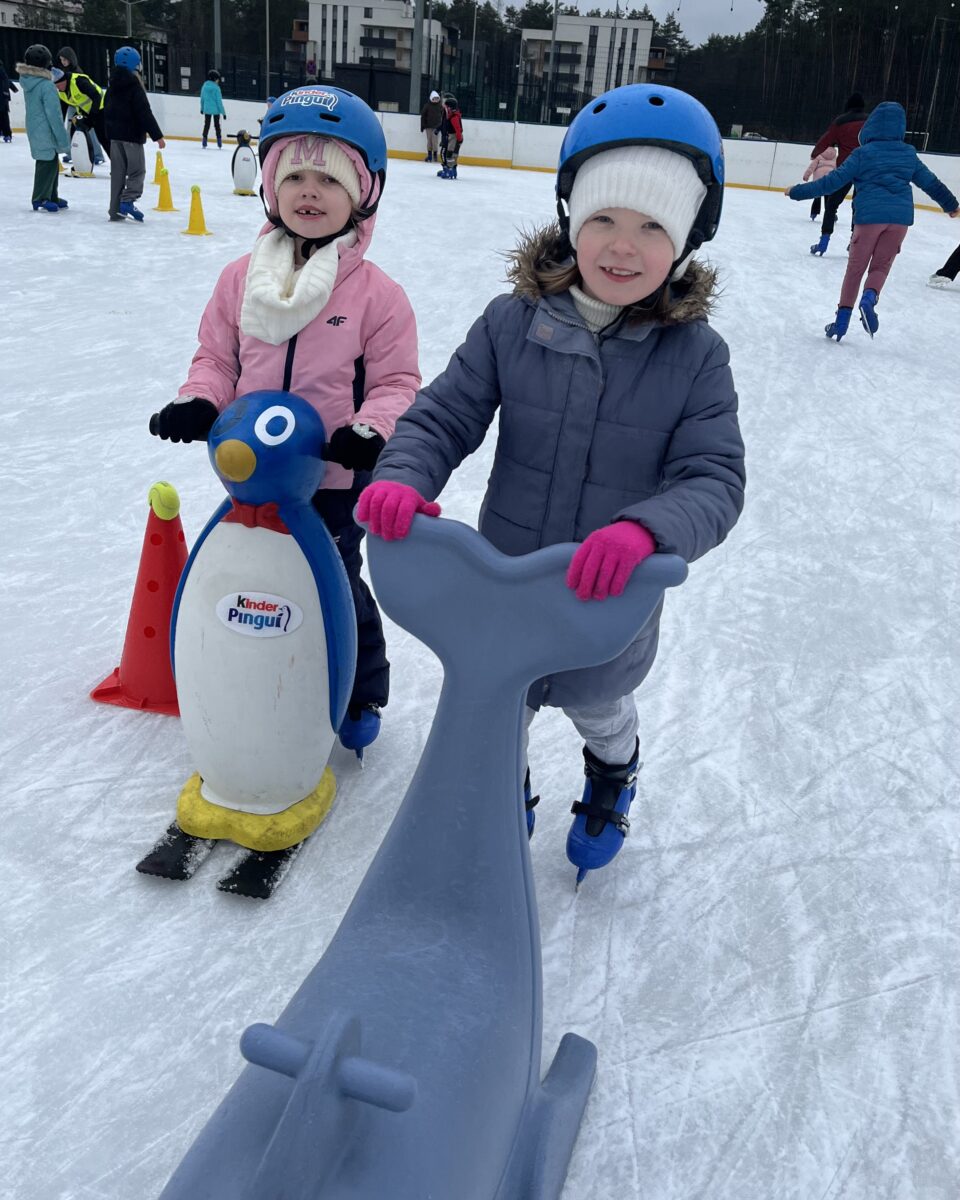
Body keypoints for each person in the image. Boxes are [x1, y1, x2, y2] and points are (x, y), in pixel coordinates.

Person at [359, 83, 745, 881]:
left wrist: (647, 530)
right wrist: (401, 474)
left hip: (609, 596)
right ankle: (507, 793)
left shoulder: (696, 356)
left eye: (651, 227)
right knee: (503, 709)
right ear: (571, 219)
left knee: (598, 707)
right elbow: (442, 418)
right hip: (507, 579)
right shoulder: (512, 322)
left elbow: (714, 476)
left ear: (683, 244)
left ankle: (613, 773)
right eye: (603, 218)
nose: (622, 246)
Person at [149, 86, 421, 756]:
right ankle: (259, 672)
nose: (308, 191)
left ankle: (360, 689)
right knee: (257, 578)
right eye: (292, 175)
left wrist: (371, 430)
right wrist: (200, 400)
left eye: (327, 177)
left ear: (364, 191)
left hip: (332, 475)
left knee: (332, 580)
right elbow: (217, 356)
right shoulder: (240, 280)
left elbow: (397, 383)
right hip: (253, 469)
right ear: (268, 187)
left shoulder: (378, 296)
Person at [787, 101, 959, 341]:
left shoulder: (862, 154)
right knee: (880, 267)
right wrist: (951, 205)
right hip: (899, 221)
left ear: (871, 127)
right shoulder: (908, 154)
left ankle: (841, 322)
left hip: (869, 218)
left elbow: (831, 182)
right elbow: (931, 183)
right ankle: (869, 298)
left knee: (855, 270)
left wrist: (796, 191)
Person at [103, 46, 165, 222]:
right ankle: (128, 200)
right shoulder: (134, 86)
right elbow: (144, 112)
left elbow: (105, 109)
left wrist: (109, 132)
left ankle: (115, 210)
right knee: (137, 171)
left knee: (117, 173)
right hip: (131, 137)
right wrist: (157, 136)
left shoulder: (112, 85)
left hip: (115, 138)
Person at [808, 92, 868, 255]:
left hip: (845, 168)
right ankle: (854, 241)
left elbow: (826, 140)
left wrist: (815, 153)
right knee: (859, 206)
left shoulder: (840, 122)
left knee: (832, 205)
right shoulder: (870, 122)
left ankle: (824, 241)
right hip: (865, 169)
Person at [16, 45, 70, 212]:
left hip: (35, 127)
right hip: (46, 128)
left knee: (51, 161)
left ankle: (51, 194)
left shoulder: (29, 82)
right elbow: (54, 114)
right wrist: (62, 137)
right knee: (46, 162)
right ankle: (40, 197)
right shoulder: (46, 86)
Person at [55, 47, 107, 165]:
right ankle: (70, 153)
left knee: (90, 129)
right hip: (72, 104)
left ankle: (98, 155)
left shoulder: (77, 73)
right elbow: (63, 95)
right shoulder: (62, 72)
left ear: (71, 59)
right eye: (62, 60)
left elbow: (89, 92)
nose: (63, 62)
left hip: (84, 105)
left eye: (65, 60)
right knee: (70, 127)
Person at [801, 144, 836, 221]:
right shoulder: (835, 157)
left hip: (818, 179)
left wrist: (806, 176)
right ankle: (831, 215)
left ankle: (814, 213)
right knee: (829, 198)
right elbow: (838, 168)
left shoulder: (819, 156)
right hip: (829, 179)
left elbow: (812, 167)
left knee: (817, 196)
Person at [437, 95, 463, 180]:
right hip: (453, 137)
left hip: (455, 137)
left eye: (447, 106)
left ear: (450, 108)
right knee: (453, 155)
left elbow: (458, 130)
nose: (445, 107)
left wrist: (459, 140)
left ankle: (449, 171)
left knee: (449, 155)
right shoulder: (451, 115)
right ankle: (453, 170)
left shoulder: (454, 117)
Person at [200, 69, 226, 148]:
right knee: (217, 125)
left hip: (207, 109)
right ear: (214, 79)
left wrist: (202, 108)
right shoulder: (217, 88)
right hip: (216, 110)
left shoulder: (204, 86)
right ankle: (219, 141)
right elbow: (219, 102)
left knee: (206, 125)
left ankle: (204, 139)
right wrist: (223, 113)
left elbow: (202, 98)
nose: (218, 81)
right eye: (217, 79)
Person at [420, 89, 442, 163]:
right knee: (429, 141)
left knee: (435, 141)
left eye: (437, 98)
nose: (435, 100)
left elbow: (443, 115)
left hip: (437, 126)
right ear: (431, 98)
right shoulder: (427, 106)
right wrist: (422, 126)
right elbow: (423, 116)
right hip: (428, 126)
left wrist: (442, 126)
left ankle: (435, 155)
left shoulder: (440, 106)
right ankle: (429, 155)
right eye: (434, 98)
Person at [0, 59, 19, 142]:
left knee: (3, 116)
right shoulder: (2, 70)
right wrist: (13, 89)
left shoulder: (1, 70)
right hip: (3, 97)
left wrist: (7, 92)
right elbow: (7, 80)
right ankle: (5, 132)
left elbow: (6, 81)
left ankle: (7, 134)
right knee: (3, 116)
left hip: (2, 97)